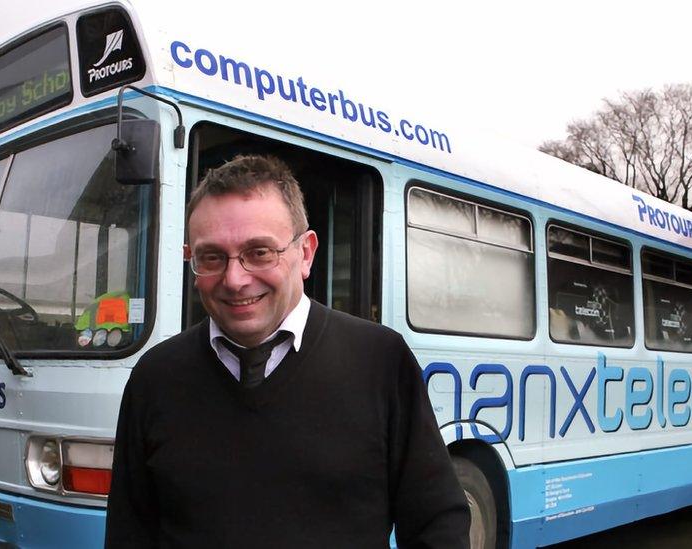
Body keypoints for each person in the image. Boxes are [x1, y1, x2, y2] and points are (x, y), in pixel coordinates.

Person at [105, 155, 470, 548]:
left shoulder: (379, 360)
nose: (235, 279)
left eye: (259, 252)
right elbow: (130, 532)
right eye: (212, 257)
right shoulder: (155, 377)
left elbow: (438, 524)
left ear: (306, 253)